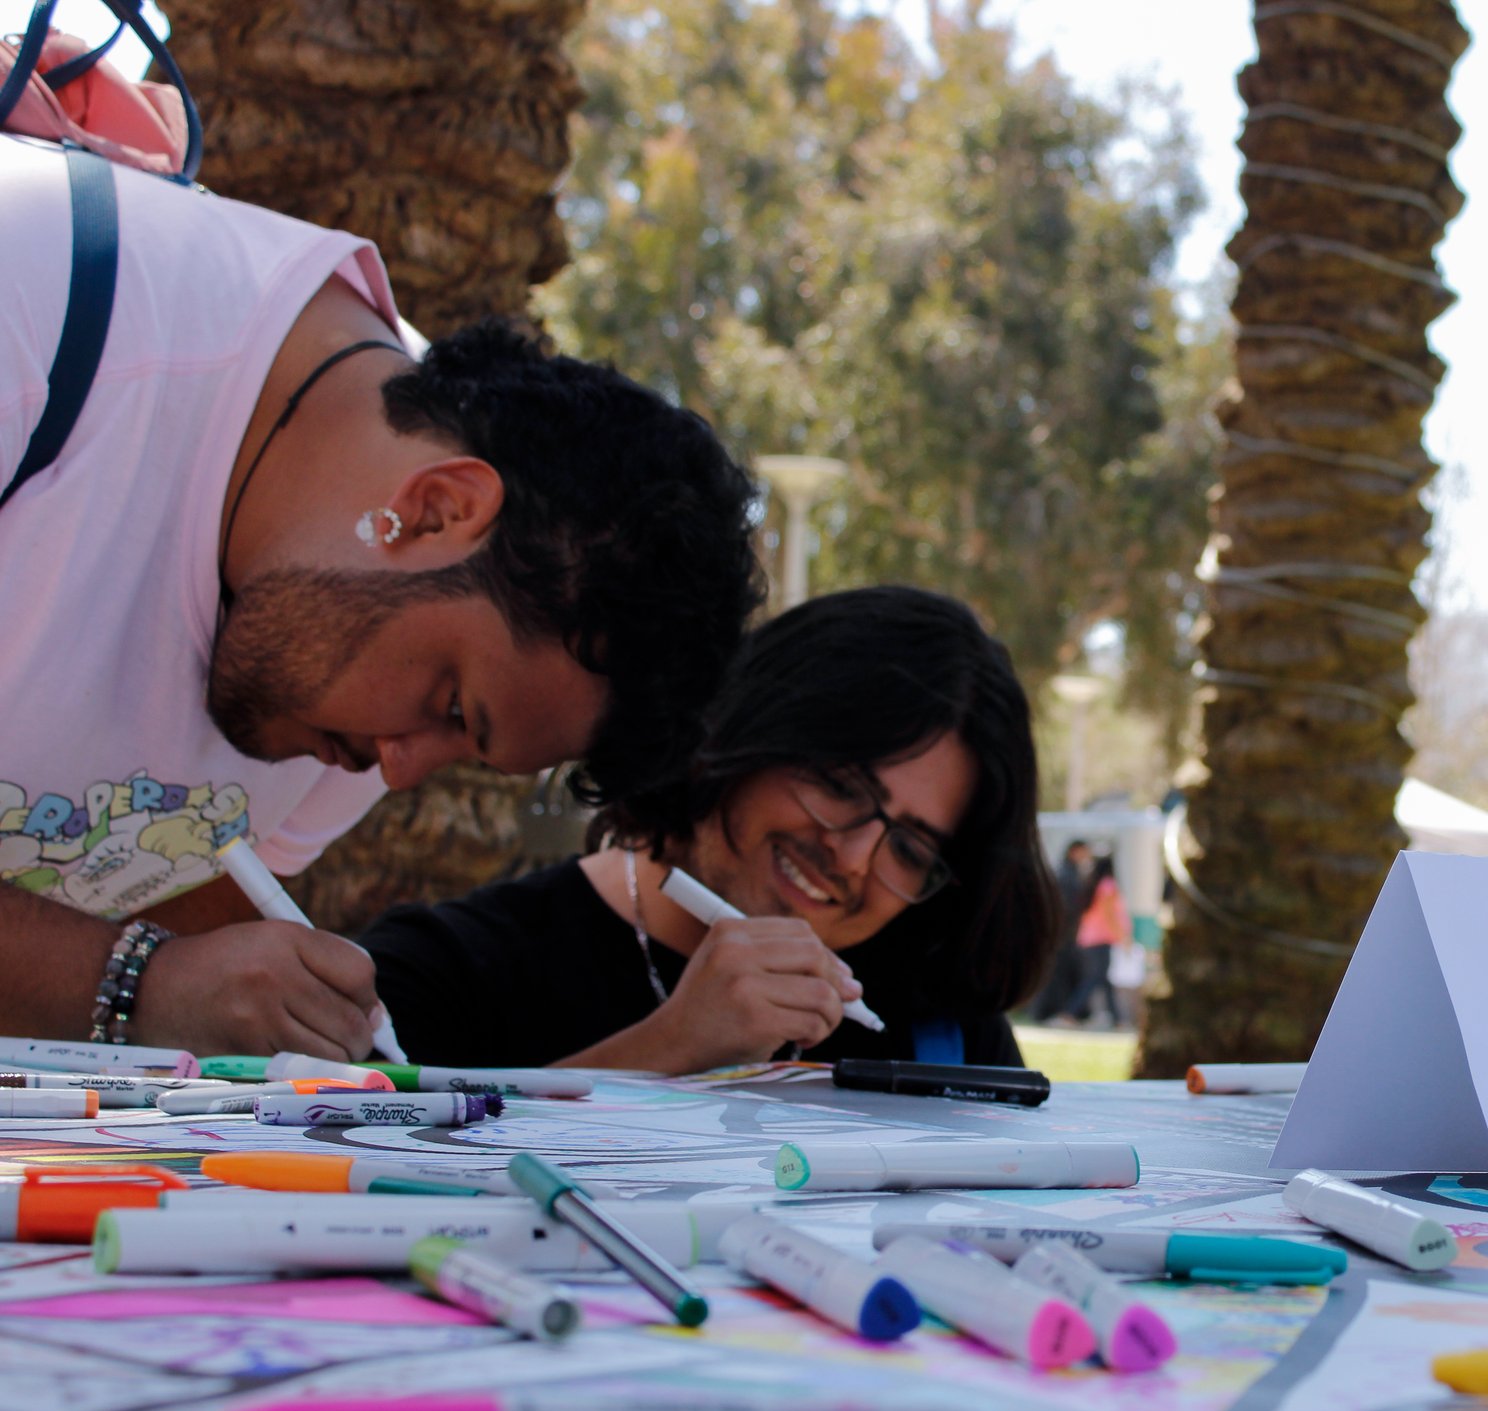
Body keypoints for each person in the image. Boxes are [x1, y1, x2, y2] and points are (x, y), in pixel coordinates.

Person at [0, 133, 763, 1060]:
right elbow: (137, 980)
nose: (397, 770)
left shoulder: (345, 657)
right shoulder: (34, 292)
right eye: (451, 706)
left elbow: (189, 965)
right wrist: (131, 984)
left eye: (460, 748)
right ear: (438, 509)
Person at [362, 587, 1056, 1073]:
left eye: (909, 847)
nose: (851, 856)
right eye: (841, 786)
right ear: (743, 732)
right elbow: (359, 1192)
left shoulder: (942, 1030)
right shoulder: (442, 974)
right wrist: (669, 1049)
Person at [1062, 853, 1129, 1028]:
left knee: (1104, 980)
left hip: (1088, 939)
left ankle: (1118, 1020)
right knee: (1094, 979)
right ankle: (1070, 1012)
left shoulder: (1092, 884)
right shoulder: (1107, 886)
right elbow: (1110, 916)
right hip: (1101, 939)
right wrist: (1123, 937)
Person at [1028, 839, 1093, 1021]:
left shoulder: (1069, 874)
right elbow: (1066, 907)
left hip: (1064, 936)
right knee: (1055, 977)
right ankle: (1047, 1012)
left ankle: (1055, 1012)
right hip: (1062, 937)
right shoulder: (1065, 875)